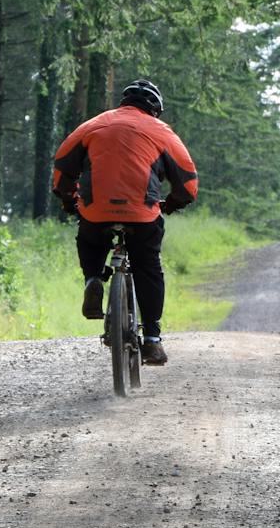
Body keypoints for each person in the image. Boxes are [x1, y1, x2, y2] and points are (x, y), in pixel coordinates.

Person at [50, 78, 198, 366]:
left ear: (124, 102)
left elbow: (62, 165)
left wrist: (69, 200)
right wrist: (173, 203)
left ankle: (93, 279)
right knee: (148, 266)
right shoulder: (161, 132)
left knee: (91, 239)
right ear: (155, 109)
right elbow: (188, 181)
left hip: (96, 210)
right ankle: (152, 341)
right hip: (143, 214)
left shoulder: (92, 125)